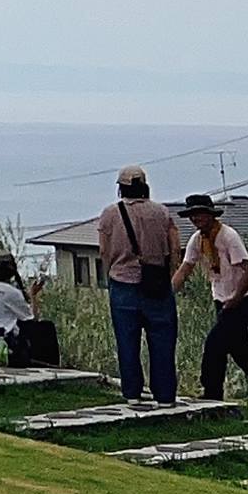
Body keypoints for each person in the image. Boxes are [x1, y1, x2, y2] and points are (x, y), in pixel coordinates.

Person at [178, 193, 248, 411]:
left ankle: (212, 392)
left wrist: (236, 299)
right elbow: (186, 267)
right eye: (192, 215)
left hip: (242, 299)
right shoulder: (197, 240)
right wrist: (169, 291)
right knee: (242, 354)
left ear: (210, 214)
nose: (196, 219)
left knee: (214, 344)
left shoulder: (228, 236)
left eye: (200, 214)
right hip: (221, 298)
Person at [93, 165, 181, 403]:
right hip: (157, 284)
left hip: (122, 283)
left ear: (121, 189)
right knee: (162, 340)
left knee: (127, 341)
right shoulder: (162, 213)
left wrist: (109, 274)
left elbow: (104, 250)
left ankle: (132, 393)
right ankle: (164, 395)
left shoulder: (110, 214)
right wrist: (169, 274)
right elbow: (174, 248)